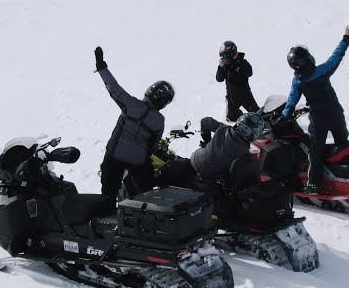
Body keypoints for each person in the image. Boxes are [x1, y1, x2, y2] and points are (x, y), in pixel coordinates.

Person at [94, 46, 174, 198]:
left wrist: (101, 66)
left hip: (114, 155)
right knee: (148, 189)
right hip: (138, 162)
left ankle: (107, 209)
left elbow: (113, 87)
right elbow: (152, 145)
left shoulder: (130, 104)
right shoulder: (159, 121)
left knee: (108, 192)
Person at [282, 25, 349, 196]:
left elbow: (291, 101)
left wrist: (284, 117)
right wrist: (346, 39)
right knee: (343, 145)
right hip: (336, 113)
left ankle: (314, 184)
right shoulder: (321, 71)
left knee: (315, 152)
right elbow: (336, 57)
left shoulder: (297, 81)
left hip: (318, 119)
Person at [158, 112, 265, 190]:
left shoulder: (223, 129)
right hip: (207, 178)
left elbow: (205, 121)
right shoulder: (244, 155)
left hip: (194, 161)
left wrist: (207, 140)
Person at [216, 40, 259, 121]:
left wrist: (235, 66)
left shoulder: (242, 62)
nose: (226, 57)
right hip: (232, 97)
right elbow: (219, 79)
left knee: (257, 115)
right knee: (231, 118)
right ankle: (242, 119)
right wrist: (220, 67)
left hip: (245, 95)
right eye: (223, 55)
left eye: (227, 55)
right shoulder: (225, 66)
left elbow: (249, 72)